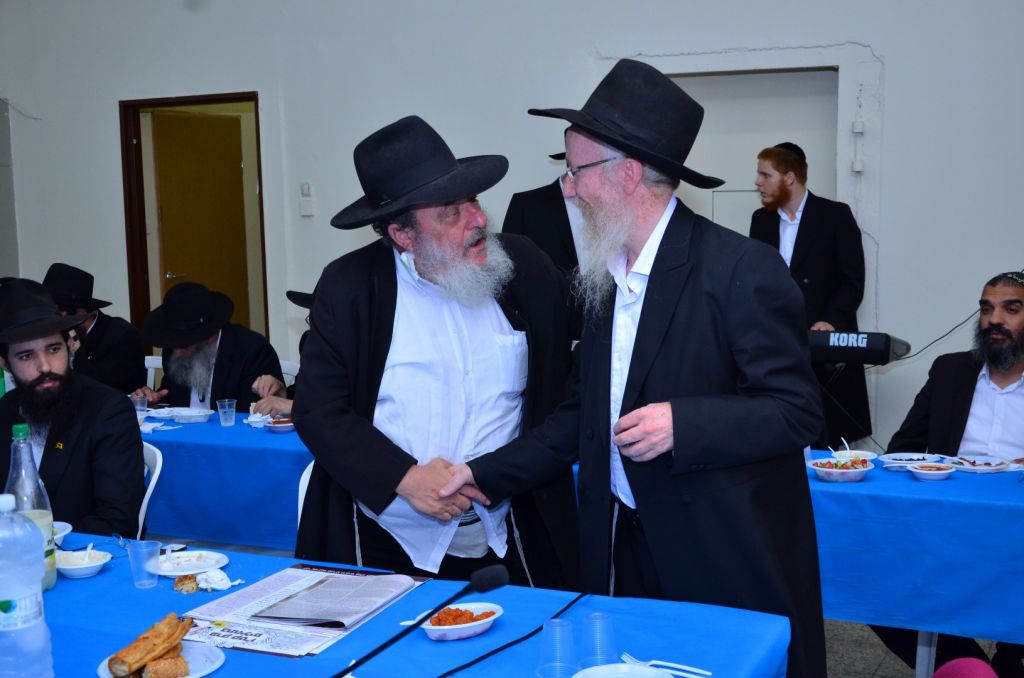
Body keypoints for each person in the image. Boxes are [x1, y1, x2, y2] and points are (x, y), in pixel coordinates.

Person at [441, 59, 826, 677]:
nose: (568, 189)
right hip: (619, 544)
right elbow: (580, 416)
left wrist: (685, 423)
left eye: (575, 171)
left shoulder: (740, 269)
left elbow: (796, 411)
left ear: (626, 172)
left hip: (714, 552)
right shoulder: (604, 279)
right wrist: (479, 474)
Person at [293, 115, 578, 589]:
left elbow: (565, 385)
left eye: (474, 201)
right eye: (451, 212)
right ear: (403, 234)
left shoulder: (523, 267)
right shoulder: (351, 287)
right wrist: (405, 477)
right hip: (387, 538)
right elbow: (319, 410)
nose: (479, 220)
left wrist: (495, 472)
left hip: (511, 531)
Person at [873, 271, 1024, 676]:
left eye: (1011, 309)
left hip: (1018, 529)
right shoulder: (951, 371)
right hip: (948, 523)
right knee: (876, 583)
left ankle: (1011, 657)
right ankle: (965, 664)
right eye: (986, 309)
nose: (995, 320)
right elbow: (901, 451)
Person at [0, 278, 144, 537]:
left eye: (53, 349)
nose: (45, 366)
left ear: (69, 346)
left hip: (84, 555)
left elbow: (117, 522)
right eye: (26, 356)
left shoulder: (108, 411)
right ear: (5, 364)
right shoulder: (5, 410)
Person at [749, 143, 870, 448]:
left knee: (828, 442)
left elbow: (852, 281)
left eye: (765, 175)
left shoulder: (836, 216)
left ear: (789, 177)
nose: (758, 183)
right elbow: (755, 283)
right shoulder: (760, 220)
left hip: (826, 356)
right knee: (778, 436)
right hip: (776, 350)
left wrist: (830, 320)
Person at [133, 282, 282, 413]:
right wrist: (153, 399)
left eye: (184, 344)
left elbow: (256, 414)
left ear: (208, 336)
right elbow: (173, 400)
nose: (176, 353)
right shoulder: (175, 350)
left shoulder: (252, 351)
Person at [41, 262, 146, 394]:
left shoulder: (122, 335)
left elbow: (101, 390)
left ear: (81, 311)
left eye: (58, 312)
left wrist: (77, 352)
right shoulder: (57, 334)